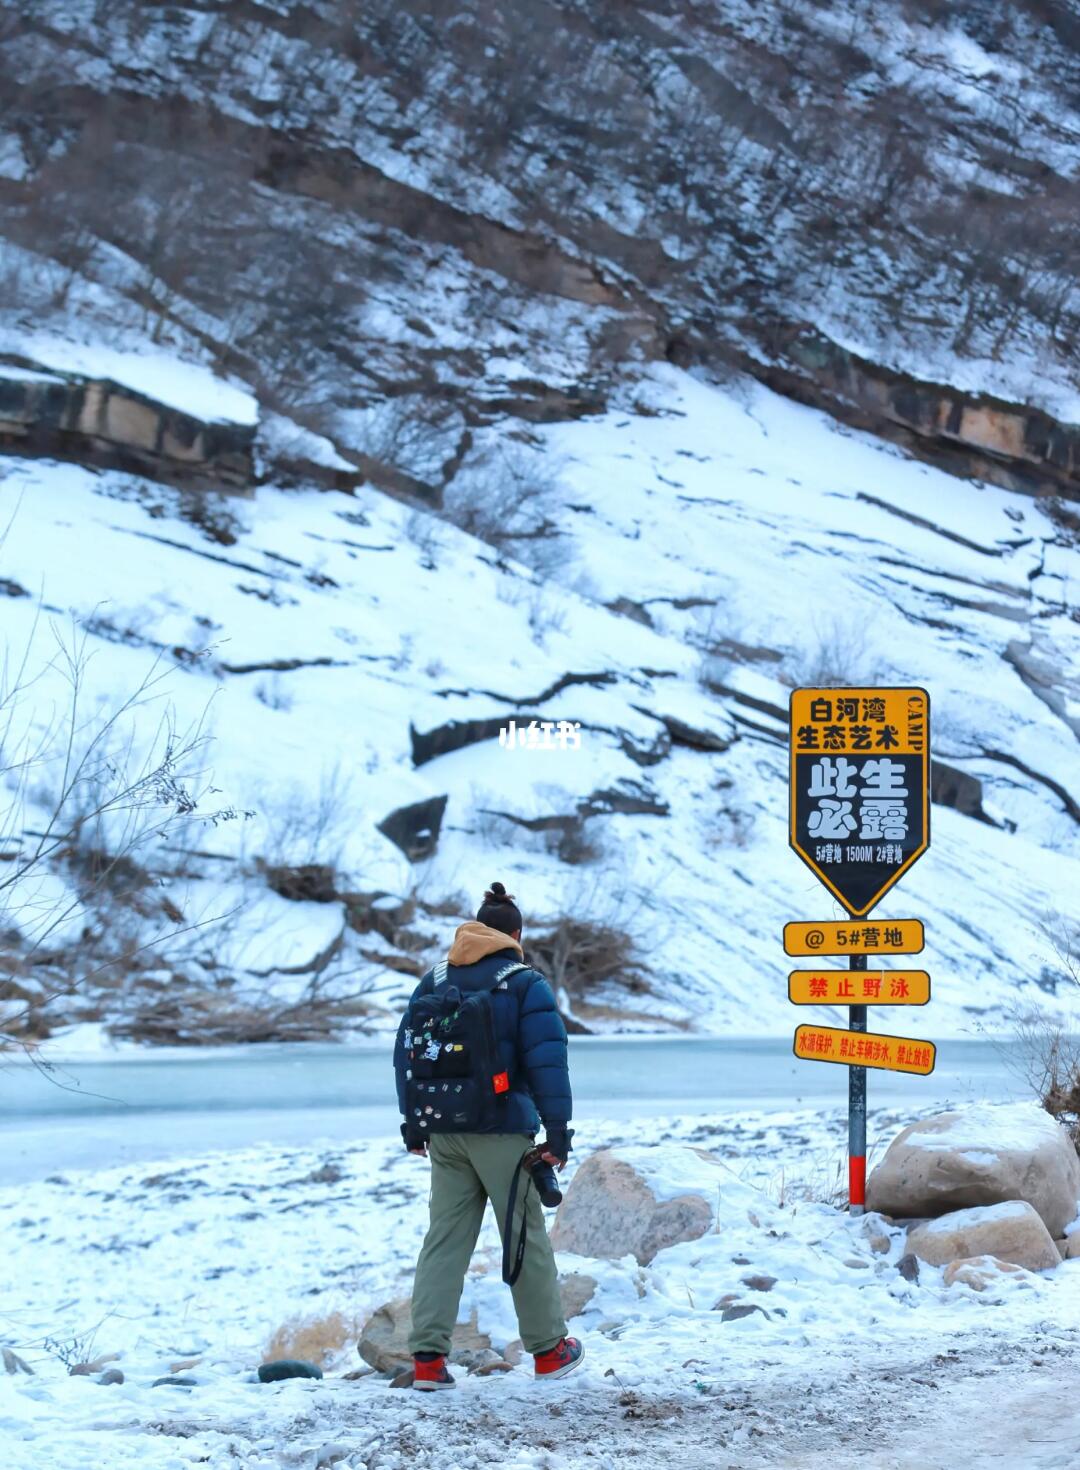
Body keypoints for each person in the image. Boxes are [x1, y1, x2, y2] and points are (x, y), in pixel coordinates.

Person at [393, 881, 583, 1390]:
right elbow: (548, 1062)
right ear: (516, 935)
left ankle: (428, 1362)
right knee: (523, 1236)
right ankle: (549, 1351)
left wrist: (413, 1121)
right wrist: (558, 1133)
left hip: (444, 1131)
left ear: (474, 929)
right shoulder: (523, 982)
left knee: (444, 1240)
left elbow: (406, 1049)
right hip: (502, 1130)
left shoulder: (433, 979)